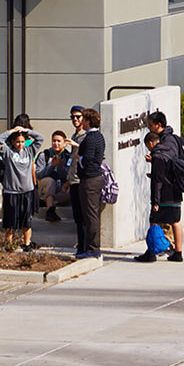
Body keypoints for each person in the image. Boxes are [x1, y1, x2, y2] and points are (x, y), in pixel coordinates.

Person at [136, 127, 184, 263]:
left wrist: (155, 202)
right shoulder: (172, 150)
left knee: (154, 222)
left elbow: (157, 182)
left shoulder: (157, 156)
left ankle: (151, 253)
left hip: (164, 196)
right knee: (176, 222)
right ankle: (178, 253)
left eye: (147, 146)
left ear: (151, 143)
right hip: (176, 192)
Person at [0, 126, 39, 251]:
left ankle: (26, 244)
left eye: (22, 142)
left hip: (27, 191)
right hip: (11, 191)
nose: (20, 144)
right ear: (13, 142)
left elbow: (40, 138)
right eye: (17, 142)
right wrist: (13, 131)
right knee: (10, 221)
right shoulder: (8, 152)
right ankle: (9, 245)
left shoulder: (29, 150)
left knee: (26, 220)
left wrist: (26, 131)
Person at [68, 107, 106, 259]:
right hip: (94, 179)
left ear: (89, 121)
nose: (81, 122)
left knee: (90, 215)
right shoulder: (99, 136)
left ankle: (93, 248)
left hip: (90, 180)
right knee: (90, 214)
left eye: (83, 119)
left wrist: (79, 159)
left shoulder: (90, 138)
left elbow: (89, 159)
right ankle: (90, 247)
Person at [35, 130, 73, 221]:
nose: (56, 143)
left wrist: (60, 167)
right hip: (45, 185)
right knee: (50, 181)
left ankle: (47, 201)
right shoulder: (44, 155)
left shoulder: (68, 157)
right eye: (54, 141)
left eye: (59, 141)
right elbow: (38, 175)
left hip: (60, 187)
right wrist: (51, 166)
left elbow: (68, 176)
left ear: (64, 143)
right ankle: (50, 211)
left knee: (72, 190)